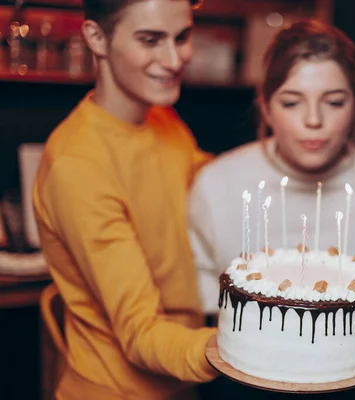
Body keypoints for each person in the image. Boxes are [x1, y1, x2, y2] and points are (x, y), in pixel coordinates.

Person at [188, 18, 355, 356]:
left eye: (334, 102)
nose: (313, 120)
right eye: (292, 102)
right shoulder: (216, 185)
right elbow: (200, 283)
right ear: (266, 107)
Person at [32, 0, 219, 398]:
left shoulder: (161, 119)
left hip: (183, 380)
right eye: (150, 40)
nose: (174, 59)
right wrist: (240, 349)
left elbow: (205, 178)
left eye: (182, 37)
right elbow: (139, 332)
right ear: (96, 38)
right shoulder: (78, 165)